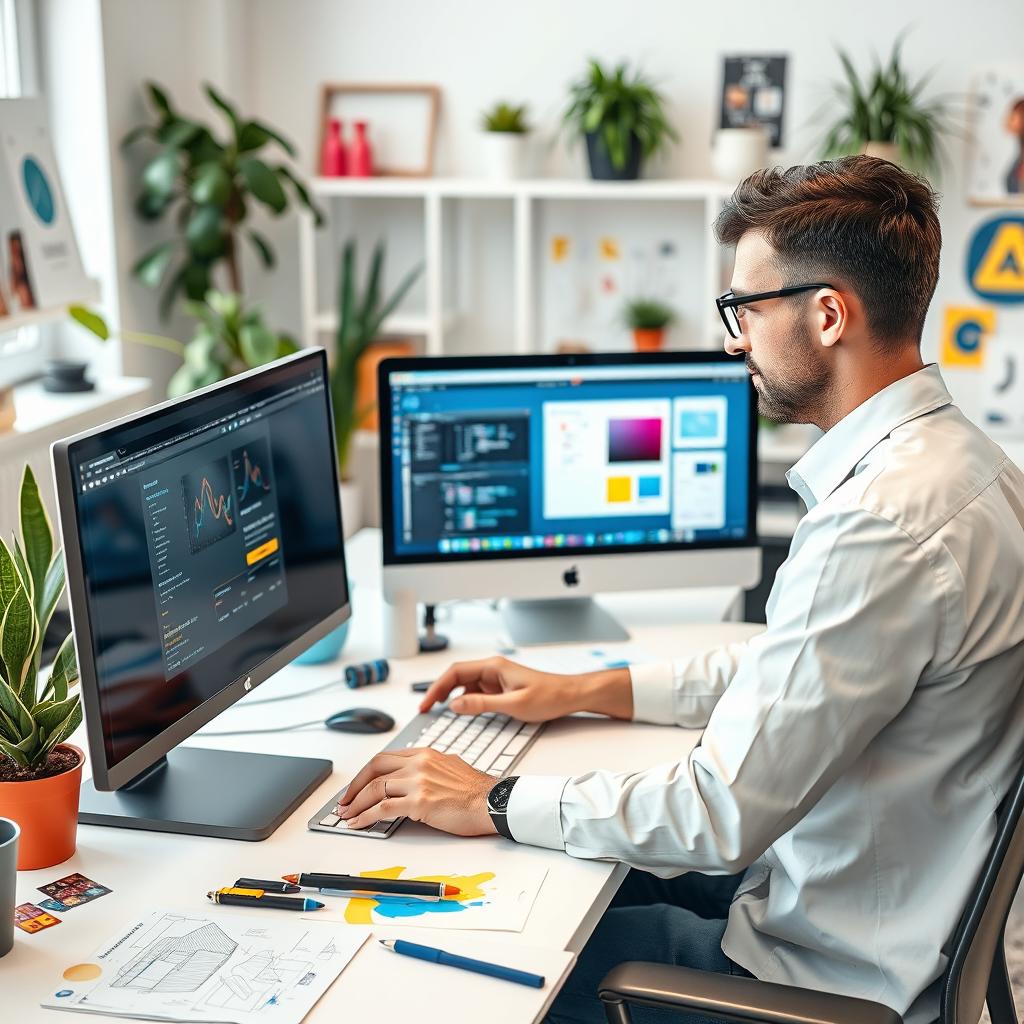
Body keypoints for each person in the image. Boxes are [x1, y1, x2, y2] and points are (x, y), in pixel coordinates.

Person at [340, 156, 1024, 1024]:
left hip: (813, 974)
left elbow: (717, 812)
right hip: (845, 901)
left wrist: (490, 796)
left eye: (745, 307)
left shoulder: (883, 525)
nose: (735, 338)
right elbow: (792, 671)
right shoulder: (970, 467)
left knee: (466, 971)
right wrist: (589, 690)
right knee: (554, 883)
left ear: (826, 315)